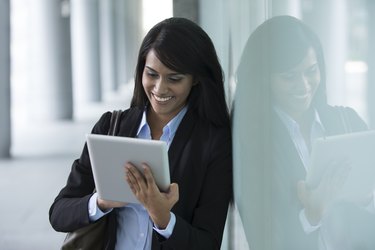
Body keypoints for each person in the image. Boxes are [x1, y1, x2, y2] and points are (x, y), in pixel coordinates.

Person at [49, 17, 232, 250]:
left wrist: (164, 218)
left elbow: (208, 243)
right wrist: (101, 202)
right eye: (152, 74)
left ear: (195, 79)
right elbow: (58, 213)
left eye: (174, 79)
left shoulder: (212, 143)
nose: (159, 88)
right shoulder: (111, 127)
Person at [233, 15, 375, 250]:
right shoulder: (252, 142)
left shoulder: (347, 121)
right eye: (289, 77)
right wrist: (312, 214)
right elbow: (262, 240)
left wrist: (367, 198)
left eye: (311, 71)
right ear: (264, 78)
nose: (304, 85)